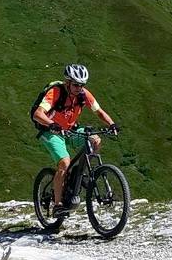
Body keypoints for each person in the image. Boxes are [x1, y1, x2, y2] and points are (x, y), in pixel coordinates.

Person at [31, 64, 119, 216]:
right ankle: (57, 204)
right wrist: (51, 124)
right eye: (76, 85)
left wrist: (112, 124)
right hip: (51, 132)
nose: (79, 88)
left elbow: (99, 111)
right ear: (68, 82)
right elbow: (37, 114)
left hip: (70, 130)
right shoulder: (56, 92)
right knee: (64, 163)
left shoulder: (83, 94)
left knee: (95, 140)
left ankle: (78, 173)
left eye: (82, 85)